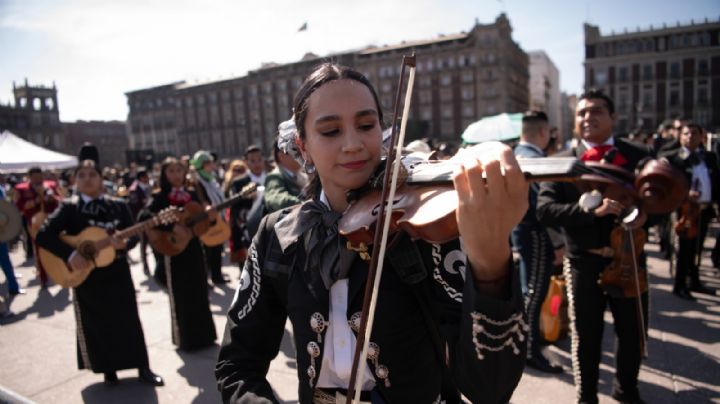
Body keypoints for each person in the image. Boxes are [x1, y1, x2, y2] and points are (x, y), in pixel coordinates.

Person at [216, 63, 527, 403]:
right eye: (331, 131)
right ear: (303, 148)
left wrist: (491, 264)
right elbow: (237, 365)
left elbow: (489, 389)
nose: (353, 144)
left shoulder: (422, 227)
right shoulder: (277, 234)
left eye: (366, 125)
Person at [537, 90, 651, 404]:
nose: (588, 118)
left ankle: (627, 390)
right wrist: (589, 212)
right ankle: (587, 397)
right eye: (583, 113)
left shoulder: (638, 155)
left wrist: (646, 218)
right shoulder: (561, 160)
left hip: (629, 258)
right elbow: (545, 211)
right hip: (582, 263)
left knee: (632, 333)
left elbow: (662, 202)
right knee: (586, 336)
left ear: (613, 117)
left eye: (597, 111)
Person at [34, 144, 163, 386]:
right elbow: (43, 235)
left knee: (128, 321)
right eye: (81, 175)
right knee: (98, 325)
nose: (87, 179)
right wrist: (70, 254)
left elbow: (133, 234)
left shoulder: (117, 205)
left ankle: (142, 367)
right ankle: (108, 370)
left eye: (92, 175)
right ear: (74, 181)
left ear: (101, 179)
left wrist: (123, 244)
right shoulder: (69, 208)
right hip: (88, 277)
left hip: (117, 272)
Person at [142, 157, 217, 350]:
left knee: (200, 290)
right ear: (164, 175)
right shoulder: (160, 195)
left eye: (178, 170)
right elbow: (145, 217)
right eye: (171, 171)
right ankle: (186, 339)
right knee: (181, 294)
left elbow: (205, 216)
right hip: (174, 251)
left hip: (194, 249)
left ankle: (205, 336)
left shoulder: (193, 192)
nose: (176, 175)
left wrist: (209, 212)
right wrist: (172, 227)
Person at [510, 110, 562, 373]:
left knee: (528, 290)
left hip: (520, 230)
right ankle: (530, 350)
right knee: (534, 292)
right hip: (535, 232)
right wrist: (559, 243)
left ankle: (527, 345)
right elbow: (543, 207)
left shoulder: (514, 154)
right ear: (543, 132)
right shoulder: (535, 159)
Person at [659, 122, 719, 299]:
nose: (690, 137)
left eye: (694, 133)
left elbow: (716, 180)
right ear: (680, 137)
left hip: (704, 209)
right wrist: (685, 194)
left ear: (702, 137)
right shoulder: (673, 158)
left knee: (697, 249)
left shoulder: (709, 157)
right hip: (684, 211)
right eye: (686, 134)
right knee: (683, 250)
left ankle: (695, 281)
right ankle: (680, 285)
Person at [13, 166, 61, 287]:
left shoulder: (50, 185)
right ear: (30, 177)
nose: (38, 180)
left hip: (53, 222)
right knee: (39, 250)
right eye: (35, 177)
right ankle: (43, 277)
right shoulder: (21, 189)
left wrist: (51, 198)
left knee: (57, 247)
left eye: (39, 177)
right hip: (35, 224)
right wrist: (35, 201)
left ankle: (60, 273)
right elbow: (18, 206)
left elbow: (60, 200)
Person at [191, 150, 228, 285]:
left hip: (216, 218)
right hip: (204, 222)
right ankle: (204, 281)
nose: (211, 166)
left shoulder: (211, 179)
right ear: (201, 165)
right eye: (207, 163)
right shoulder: (196, 182)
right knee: (207, 253)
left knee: (217, 248)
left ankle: (217, 276)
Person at [128, 169, 153, 274]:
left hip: (151, 218)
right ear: (141, 178)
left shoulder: (149, 187)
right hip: (141, 220)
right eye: (146, 176)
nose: (148, 178)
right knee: (144, 243)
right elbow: (133, 207)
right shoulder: (134, 190)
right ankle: (145, 266)